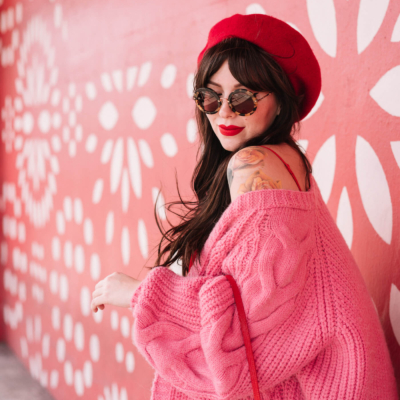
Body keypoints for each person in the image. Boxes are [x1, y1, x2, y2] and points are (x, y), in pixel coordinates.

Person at [91, 14, 398, 400]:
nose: (224, 112)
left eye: (243, 97)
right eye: (210, 96)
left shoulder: (255, 165)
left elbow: (246, 329)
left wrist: (138, 294)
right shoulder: (278, 160)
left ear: (281, 98)